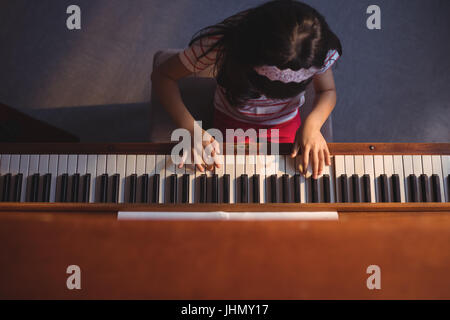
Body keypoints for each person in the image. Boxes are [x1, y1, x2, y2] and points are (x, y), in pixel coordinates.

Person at [151, 0, 342, 179]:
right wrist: (192, 129)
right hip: (231, 117)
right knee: (218, 177)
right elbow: (162, 76)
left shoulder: (319, 53)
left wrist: (312, 126)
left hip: (285, 122)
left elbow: (327, 91)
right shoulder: (224, 46)